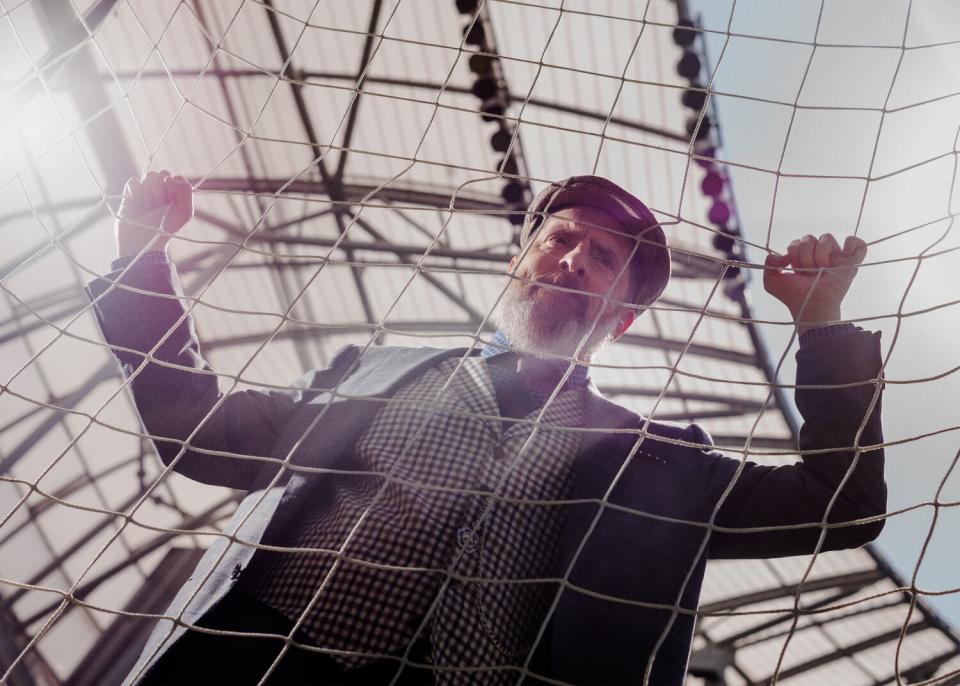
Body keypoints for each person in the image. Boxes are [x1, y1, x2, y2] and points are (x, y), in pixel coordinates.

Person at [85, 171, 886, 685]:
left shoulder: (663, 465)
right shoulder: (372, 370)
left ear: (627, 320)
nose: (572, 260)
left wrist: (821, 324)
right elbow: (193, 426)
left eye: (602, 259)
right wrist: (143, 256)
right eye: (560, 240)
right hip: (258, 668)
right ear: (519, 263)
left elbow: (839, 504)